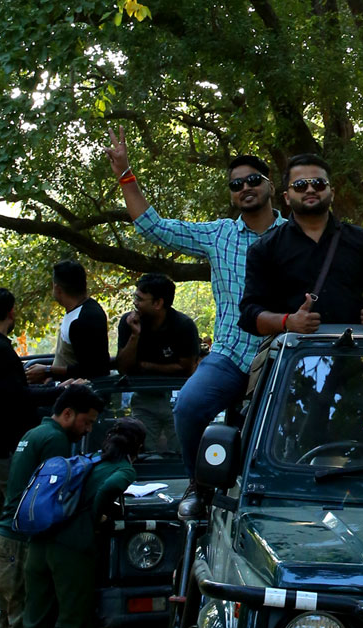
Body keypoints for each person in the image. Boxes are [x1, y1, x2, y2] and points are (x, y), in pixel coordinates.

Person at [102, 128, 285, 476]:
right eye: (236, 184)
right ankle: (199, 485)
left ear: (270, 185)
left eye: (253, 179)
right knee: (187, 406)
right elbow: (152, 227)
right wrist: (126, 174)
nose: (245, 187)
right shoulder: (219, 235)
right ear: (232, 195)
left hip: (284, 352)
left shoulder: (294, 235)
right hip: (231, 354)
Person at [4, 417, 146, 628]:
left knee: (34, 625)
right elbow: (109, 489)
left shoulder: (87, 460)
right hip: (70, 552)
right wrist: (97, 516)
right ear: (137, 446)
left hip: (39, 547)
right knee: (74, 626)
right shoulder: (123, 469)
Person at [0, 384, 105, 628]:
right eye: (86, 422)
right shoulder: (56, 441)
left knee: (18, 622)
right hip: (27, 540)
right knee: (35, 623)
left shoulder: (34, 433)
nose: (87, 430)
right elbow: (57, 499)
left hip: (5, 536)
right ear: (67, 413)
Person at [237, 153, 363, 336]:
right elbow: (249, 315)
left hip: (354, 354)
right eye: (300, 185)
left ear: (331, 193)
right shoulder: (265, 248)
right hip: (293, 356)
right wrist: (288, 321)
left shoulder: (360, 239)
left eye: (318, 184)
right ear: (287, 197)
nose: (310, 190)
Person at [0, 288, 65, 508]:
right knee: (22, 511)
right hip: (4, 448)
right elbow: (18, 398)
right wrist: (61, 391)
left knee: (10, 508)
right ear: (11, 313)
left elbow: (3, 392)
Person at [115, 272, 199, 452]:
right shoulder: (129, 323)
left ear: (158, 303)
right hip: (144, 399)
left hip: (176, 399)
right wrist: (134, 336)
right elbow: (123, 367)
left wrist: (146, 366)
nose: (135, 303)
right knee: (144, 451)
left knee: (182, 449)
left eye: (140, 299)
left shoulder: (183, 326)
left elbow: (186, 368)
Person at [25, 260, 110, 384]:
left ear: (57, 288)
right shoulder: (75, 311)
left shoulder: (85, 319)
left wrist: (47, 370)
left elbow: (93, 369)